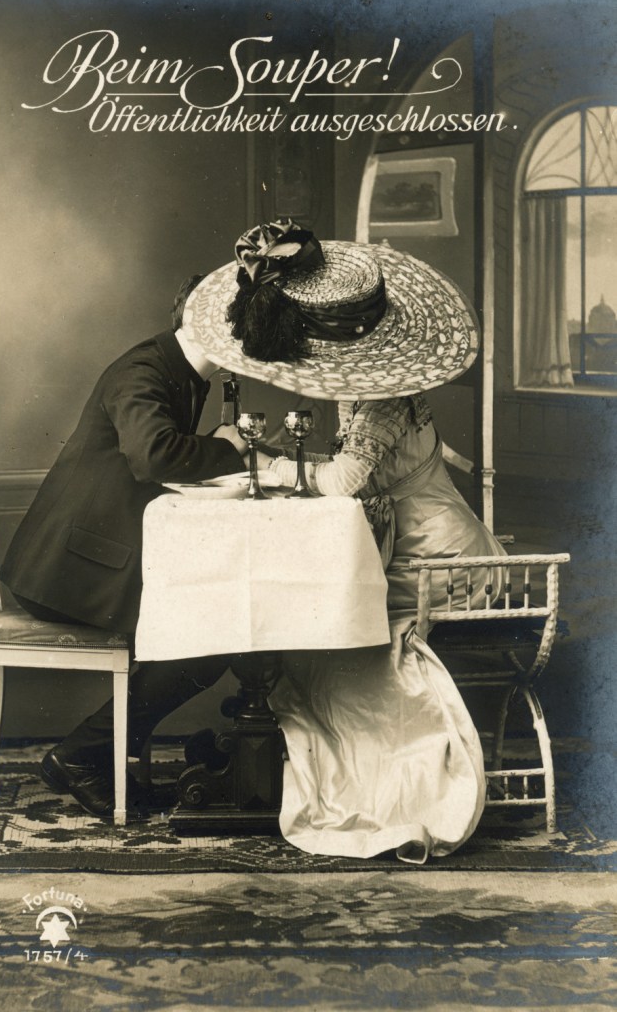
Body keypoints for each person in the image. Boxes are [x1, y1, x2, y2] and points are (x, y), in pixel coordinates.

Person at [181, 219, 507, 863]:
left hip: (442, 561)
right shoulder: (367, 392)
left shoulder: (382, 399)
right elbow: (348, 468)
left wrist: (270, 466)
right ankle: (276, 756)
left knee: (330, 630)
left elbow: (343, 481)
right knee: (317, 616)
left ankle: (343, 775)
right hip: (409, 549)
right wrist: (281, 456)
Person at [0, 276, 250, 819]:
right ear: (215, 327)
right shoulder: (142, 370)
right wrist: (228, 450)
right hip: (66, 572)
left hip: (95, 559)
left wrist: (219, 446)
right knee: (207, 640)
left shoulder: (181, 373)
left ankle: (99, 753)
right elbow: (153, 456)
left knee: (211, 630)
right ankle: (81, 755)